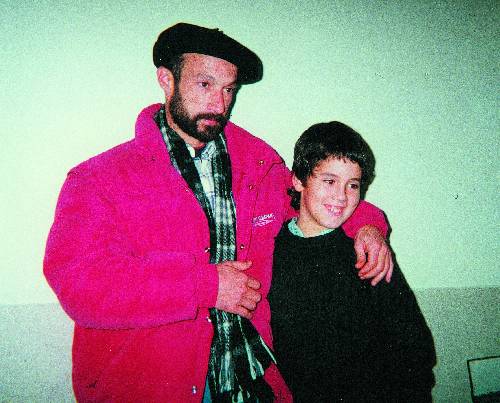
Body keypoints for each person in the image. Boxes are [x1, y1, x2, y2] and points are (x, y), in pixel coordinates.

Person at [43, 23, 393, 402]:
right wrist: (206, 286)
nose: (219, 103)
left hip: (249, 377)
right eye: (204, 84)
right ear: (167, 80)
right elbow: (80, 285)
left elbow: (315, 198)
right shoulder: (98, 179)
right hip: (153, 389)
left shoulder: (257, 166)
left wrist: (368, 225)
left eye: (229, 89)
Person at [268, 121, 437, 402]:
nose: (341, 196)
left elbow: (414, 348)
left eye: (353, 185)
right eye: (329, 181)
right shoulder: (271, 250)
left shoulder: (368, 253)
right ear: (298, 180)